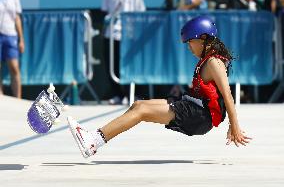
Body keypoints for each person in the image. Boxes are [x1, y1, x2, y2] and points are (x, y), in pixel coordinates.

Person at [68, 16, 252, 158]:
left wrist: (234, 126)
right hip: (193, 106)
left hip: (199, 115)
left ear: (203, 38)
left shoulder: (213, 62)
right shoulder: (208, 60)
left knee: (141, 112)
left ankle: (93, 141)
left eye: (190, 42)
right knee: (138, 106)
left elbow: (228, 96)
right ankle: (94, 139)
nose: (189, 47)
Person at [101, 0, 146, 105]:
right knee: (112, 65)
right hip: (111, 34)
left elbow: (141, 13)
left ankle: (135, 94)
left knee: (131, 65)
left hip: (130, 36)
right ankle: (118, 95)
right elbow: (105, 11)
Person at [0, 0, 24, 98]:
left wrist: (21, 39)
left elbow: (17, 19)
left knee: (14, 67)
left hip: (11, 35)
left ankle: (18, 98)